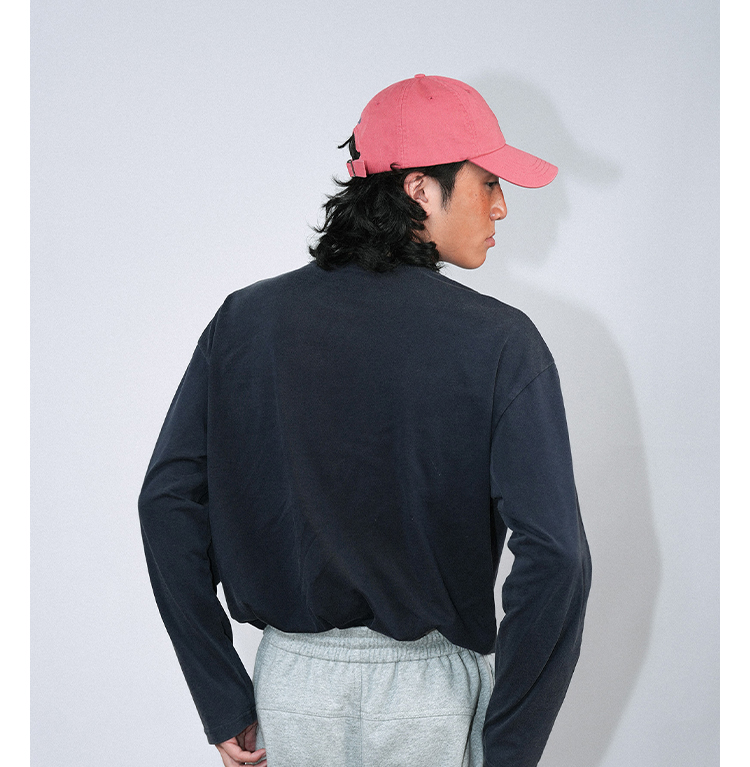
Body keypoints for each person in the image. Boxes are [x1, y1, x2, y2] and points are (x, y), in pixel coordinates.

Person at [139, 74, 592, 767]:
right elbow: (557, 555)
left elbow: (167, 502)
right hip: (430, 697)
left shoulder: (245, 322)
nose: (501, 206)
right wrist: (509, 745)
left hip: (292, 690)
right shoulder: (500, 342)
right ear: (420, 189)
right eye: (488, 183)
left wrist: (221, 692)